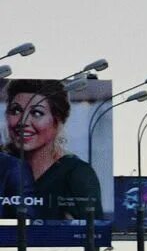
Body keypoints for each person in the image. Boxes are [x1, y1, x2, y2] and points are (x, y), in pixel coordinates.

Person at [4, 79, 102, 222]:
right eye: (16, 111)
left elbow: (94, 232)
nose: (23, 122)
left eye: (37, 113)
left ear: (57, 121)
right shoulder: (4, 168)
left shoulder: (77, 173)